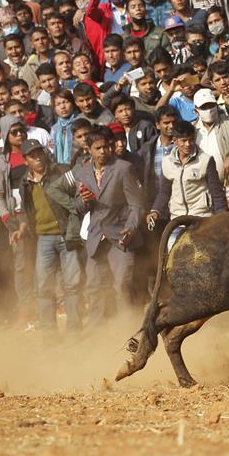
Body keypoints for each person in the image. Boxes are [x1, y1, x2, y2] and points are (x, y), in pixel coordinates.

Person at [73, 126, 145, 322]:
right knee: (94, 286)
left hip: (121, 235)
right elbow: (78, 208)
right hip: (96, 236)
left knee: (122, 285)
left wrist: (131, 228)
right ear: (89, 149)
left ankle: (127, 327)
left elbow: (136, 204)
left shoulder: (123, 168)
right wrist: (85, 200)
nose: (103, 151)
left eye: (106, 147)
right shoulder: (82, 173)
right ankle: (97, 330)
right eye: (98, 148)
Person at [13, 139, 82, 335]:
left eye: (40, 153)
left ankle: (74, 330)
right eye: (32, 155)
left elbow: (78, 196)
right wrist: (22, 227)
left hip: (67, 234)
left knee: (72, 284)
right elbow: (26, 209)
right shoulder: (25, 182)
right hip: (43, 237)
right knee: (44, 286)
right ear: (25, 160)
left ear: (45, 154)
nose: (38, 158)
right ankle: (49, 333)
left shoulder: (61, 171)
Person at [148, 120, 227, 249]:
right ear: (175, 141)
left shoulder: (206, 160)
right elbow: (164, 192)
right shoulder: (167, 163)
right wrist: (155, 211)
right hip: (177, 221)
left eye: (191, 140)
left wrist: (221, 217)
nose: (188, 144)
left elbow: (216, 192)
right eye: (184, 141)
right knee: (172, 253)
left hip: (202, 218)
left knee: (204, 255)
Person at [0, 114, 35, 328]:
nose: (19, 135)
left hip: (40, 216)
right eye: (14, 132)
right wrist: (7, 218)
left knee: (45, 262)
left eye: (21, 131)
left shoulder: (36, 154)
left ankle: (51, 305)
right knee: (22, 266)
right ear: (5, 135)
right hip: (16, 219)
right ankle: (26, 310)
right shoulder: (1, 162)